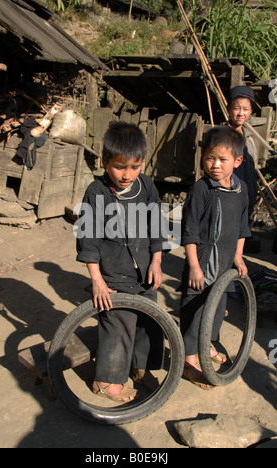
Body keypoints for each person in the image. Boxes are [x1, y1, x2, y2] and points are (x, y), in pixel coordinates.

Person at [76, 121, 166, 402]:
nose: (127, 175)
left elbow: (157, 227)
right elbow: (87, 239)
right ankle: (106, 382)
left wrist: (157, 262)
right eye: (119, 166)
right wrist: (97, 282)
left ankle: (141, 369)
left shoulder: (147, 186)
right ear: (104, 162)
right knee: (116, 326)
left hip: (144, 273)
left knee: (149, 323)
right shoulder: (96, 192)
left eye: (134, 167)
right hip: (113, 276)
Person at [180, 126, 251, 390]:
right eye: (210, 158)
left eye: (223, 159)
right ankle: (188, 360)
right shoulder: (201, 189)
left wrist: (239, 258)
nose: (216, 165)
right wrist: (194, 267)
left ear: (237, 161)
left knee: (217, 309)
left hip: (225, 264)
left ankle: (205, 345)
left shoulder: (241, 189)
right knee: (194, 310)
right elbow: (189, 231)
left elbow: (243, 226)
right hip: (202, 260)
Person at [227, 85, 258, 217]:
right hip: (229, 197)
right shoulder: (222, 137)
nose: (241, 113)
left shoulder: (250, 139)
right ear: (229, 110)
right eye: (236, 108)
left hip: (248, 198)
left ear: (251, 111)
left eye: (245, 109)